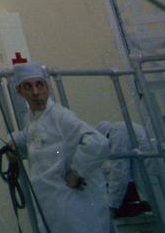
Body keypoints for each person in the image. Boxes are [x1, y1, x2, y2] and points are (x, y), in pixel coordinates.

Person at [10, 62, 110, 233]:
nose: (35, 92)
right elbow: (34, 139)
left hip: (74, 206)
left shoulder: (60, 116)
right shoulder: (33, 119)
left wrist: (77, 172)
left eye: (39, 85)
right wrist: (14, 143)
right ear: (19, 91)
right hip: (51, 205)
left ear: (47, 87)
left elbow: (98, 142)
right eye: (28, 86)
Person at [96, 118, 154, 218]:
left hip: (154, 174)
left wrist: (112, 205)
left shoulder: (117, 132)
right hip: (155, 172)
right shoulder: (122, 128)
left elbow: (120, 170)